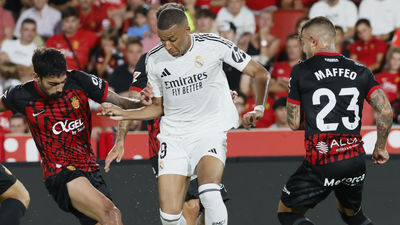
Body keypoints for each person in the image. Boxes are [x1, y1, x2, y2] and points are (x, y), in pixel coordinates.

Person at [100, 4, 270, 225]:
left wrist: (258, 108)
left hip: (208, 132)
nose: (167, 46)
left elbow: (260, 72)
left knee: (208, 194)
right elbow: (158, 108)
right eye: (162, 40)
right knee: (170, 218)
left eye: (172, 39)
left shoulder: (213, 45)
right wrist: (123, 115)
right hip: (173, 137)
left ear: (187, 30)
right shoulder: (153, 60)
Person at [0, 48, 147, 225]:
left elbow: (121, 102)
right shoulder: (21, 94)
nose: (60, 88)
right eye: (53, 84)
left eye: (62, 82)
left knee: (104, 220)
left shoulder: (78, 79)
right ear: (37, 77)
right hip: (60, 172)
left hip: (90, 169)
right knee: (112, 215)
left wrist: (141, 103)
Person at [278, 16, 392, 225]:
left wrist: (316, 121)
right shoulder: (361, 70)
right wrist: (380, 147)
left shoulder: (301, 70)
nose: (303, 49)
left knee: (287, 213)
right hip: (354, 160)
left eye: (303, 42)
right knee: (353, 216)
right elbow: (385, 111)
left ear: (314, 41)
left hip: (321, 159)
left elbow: (294, 123)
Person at [46, 6, 99, 70]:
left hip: (79, 76)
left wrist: (93, 61)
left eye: (73, 21)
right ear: (62, 22)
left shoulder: (89, 36)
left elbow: (107, 40)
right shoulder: (52, 40)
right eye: (67, 21)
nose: (70, 24)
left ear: (78, 21)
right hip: (57, 76)